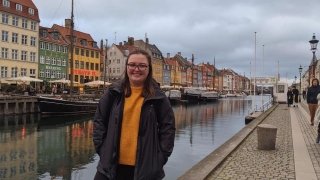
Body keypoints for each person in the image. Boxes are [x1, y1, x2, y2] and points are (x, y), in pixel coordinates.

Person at [93, 49, 176, 180]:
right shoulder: (113, 93)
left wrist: (159, 158)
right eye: (132, 65)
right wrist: (103, 151)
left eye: (142, 65)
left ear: (149, 69)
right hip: (109, 168)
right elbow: (99, 121)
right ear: (126, 67)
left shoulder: (158, 97)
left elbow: (168, 128)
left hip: (146, 170)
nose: (136, 69)